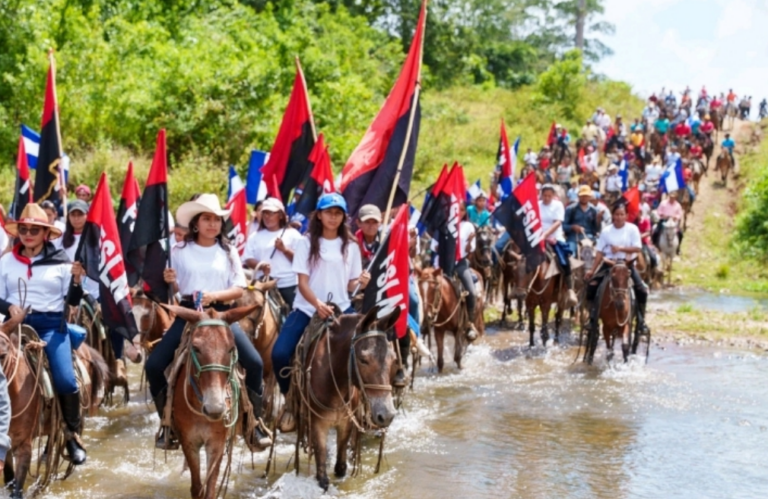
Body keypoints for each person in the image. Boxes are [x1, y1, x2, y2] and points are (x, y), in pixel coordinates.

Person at [145, 194, 272, 451]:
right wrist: (171, 280)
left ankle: (253, 423)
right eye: (206, 219)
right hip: (190, 314)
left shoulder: (228, 251)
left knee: (256, 364)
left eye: (216, 219)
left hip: (222, 316)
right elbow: (176, 290)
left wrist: (215, 296)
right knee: (154, 365)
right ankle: (167, 424)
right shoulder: (178, 251)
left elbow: (238, 287)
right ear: (195, 223)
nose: (212, 224)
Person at [271, 193, 369, 433]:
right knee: (280, 354)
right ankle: (290, 401)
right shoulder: (306, 242)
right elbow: (302, 282)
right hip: (307, 307)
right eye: (329, 212)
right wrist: (317, 305)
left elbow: (350, 285)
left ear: (343, 217)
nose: (333, 217)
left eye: (338, 213)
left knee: (368, 352)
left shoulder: (352, 246)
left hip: (342, 307)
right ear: (320, 215)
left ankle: (366, 405)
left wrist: (362, 282)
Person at [0, 204, 87, 465]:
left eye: (34, 230)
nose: (27, 234)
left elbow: (72, 301)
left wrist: (76, 282)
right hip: (12, 327)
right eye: (23, 229)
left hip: (50, 326)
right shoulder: (6, 261)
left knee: (66, 380)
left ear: (45, 234)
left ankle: (71, 436)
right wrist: (9, 308)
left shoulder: (62, 262)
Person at [584, 201, 650, 338]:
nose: (619, 217)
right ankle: (592, 319)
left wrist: (620, 249)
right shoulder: (606, 231)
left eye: (622, 214)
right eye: (616, 214)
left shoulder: (632, 229)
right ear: (613, 215)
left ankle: (641, 321)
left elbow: (637, 248)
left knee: (642, 290)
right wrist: (592, 270)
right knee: (591, 287)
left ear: (626, 215)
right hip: (609, 264)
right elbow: (600, 252)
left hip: (627, 265)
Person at [243, 198, 301, 308]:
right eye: (264, 213)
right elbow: (248, 258)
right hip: (261, 285)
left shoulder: (294, 235)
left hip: (288, 285)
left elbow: (301, 260)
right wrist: (261, 266)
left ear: (280, 215)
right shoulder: (254, 236)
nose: (267, 217)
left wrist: (285, 250)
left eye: (271, 213)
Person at [539, 185, 577, 308]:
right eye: (544, 195)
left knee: (564, 261)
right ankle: (519, 287)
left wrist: (546, 234)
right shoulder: (537, 204)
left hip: (554, 238)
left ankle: (570, 289)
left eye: (549, 196)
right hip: (537, 238)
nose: (546, 198)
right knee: (521, 259)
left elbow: (558, 222)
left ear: (553, 195)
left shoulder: (558, 205)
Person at [563, 186, 600, 256]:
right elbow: (563, 226)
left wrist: (597, 232)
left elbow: (595, 228)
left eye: (586, 196)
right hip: (573, 237)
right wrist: (573, 227)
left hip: (589, 237)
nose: (584, 198)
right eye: (582, 196)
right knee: (570, 255)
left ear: (590, 197)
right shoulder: (570, 209)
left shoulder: (593, 210)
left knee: (598, 254)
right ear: (578, 196)